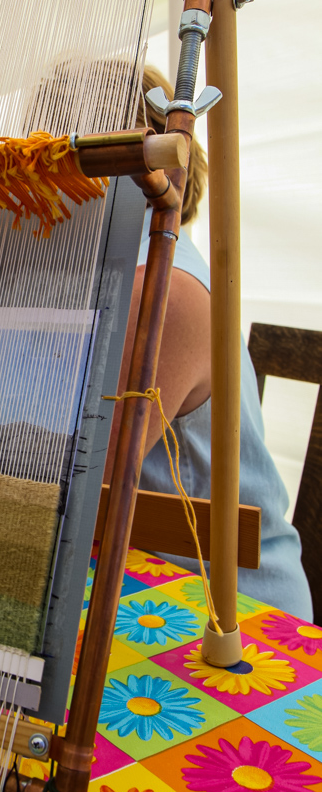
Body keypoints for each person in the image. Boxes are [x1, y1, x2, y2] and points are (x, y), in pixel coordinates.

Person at [105, 65, 312, 619]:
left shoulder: (164, 290)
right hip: (140, 573)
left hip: (232, 612)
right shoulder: (120, 275)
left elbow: (81, 481)